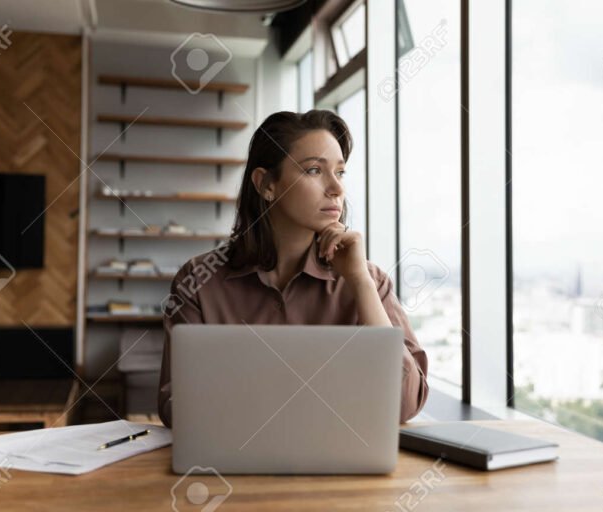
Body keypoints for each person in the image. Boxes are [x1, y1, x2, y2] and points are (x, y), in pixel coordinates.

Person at [158, 109, 429, 427]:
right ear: (266, 184)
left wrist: (359, 281)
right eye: (315, 170)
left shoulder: (368, 280)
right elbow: (175, 404)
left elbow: (405, 404)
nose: (336, 189)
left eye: (340, 173)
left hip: (342, 470)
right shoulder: (199, 281)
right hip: (231, 469)